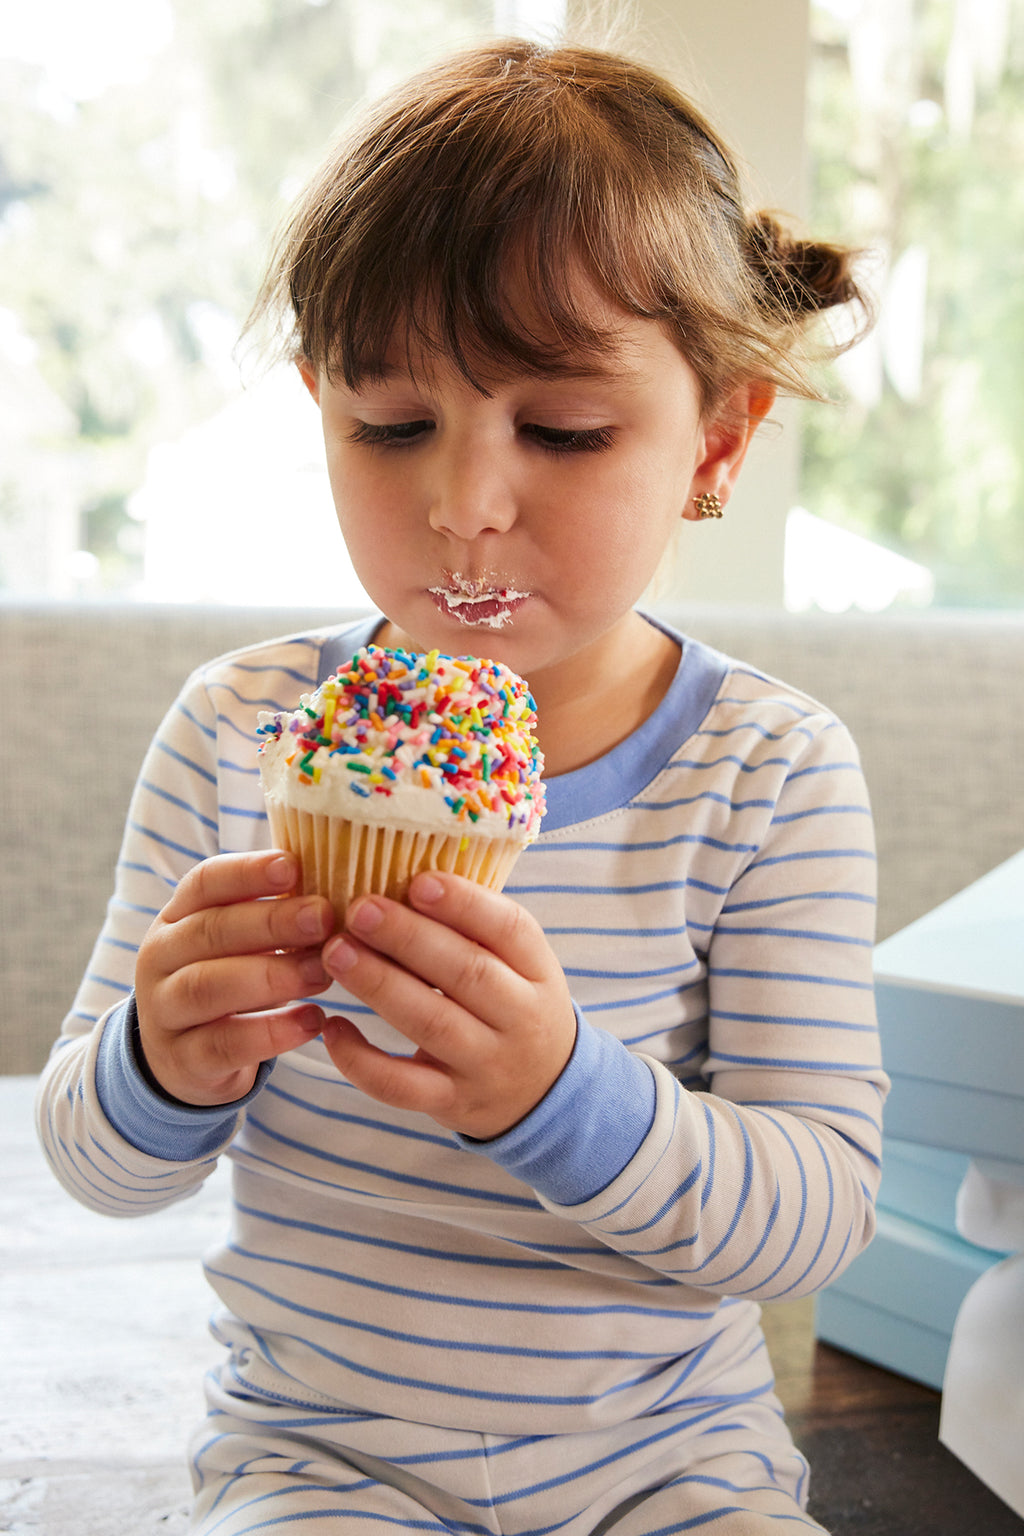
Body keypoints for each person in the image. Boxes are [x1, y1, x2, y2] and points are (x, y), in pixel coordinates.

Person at [36, 36, 888, 1536]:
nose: (462, 507)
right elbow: (90, 1171)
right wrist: (162, 1064)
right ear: (319, 406)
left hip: (671, 1470)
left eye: (562, 431)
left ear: (720, 437)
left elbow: (812, 1215)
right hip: (323, 1464)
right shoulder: (245, 734)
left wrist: (564, 1097)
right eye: (390, 425)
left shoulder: (769, 773)